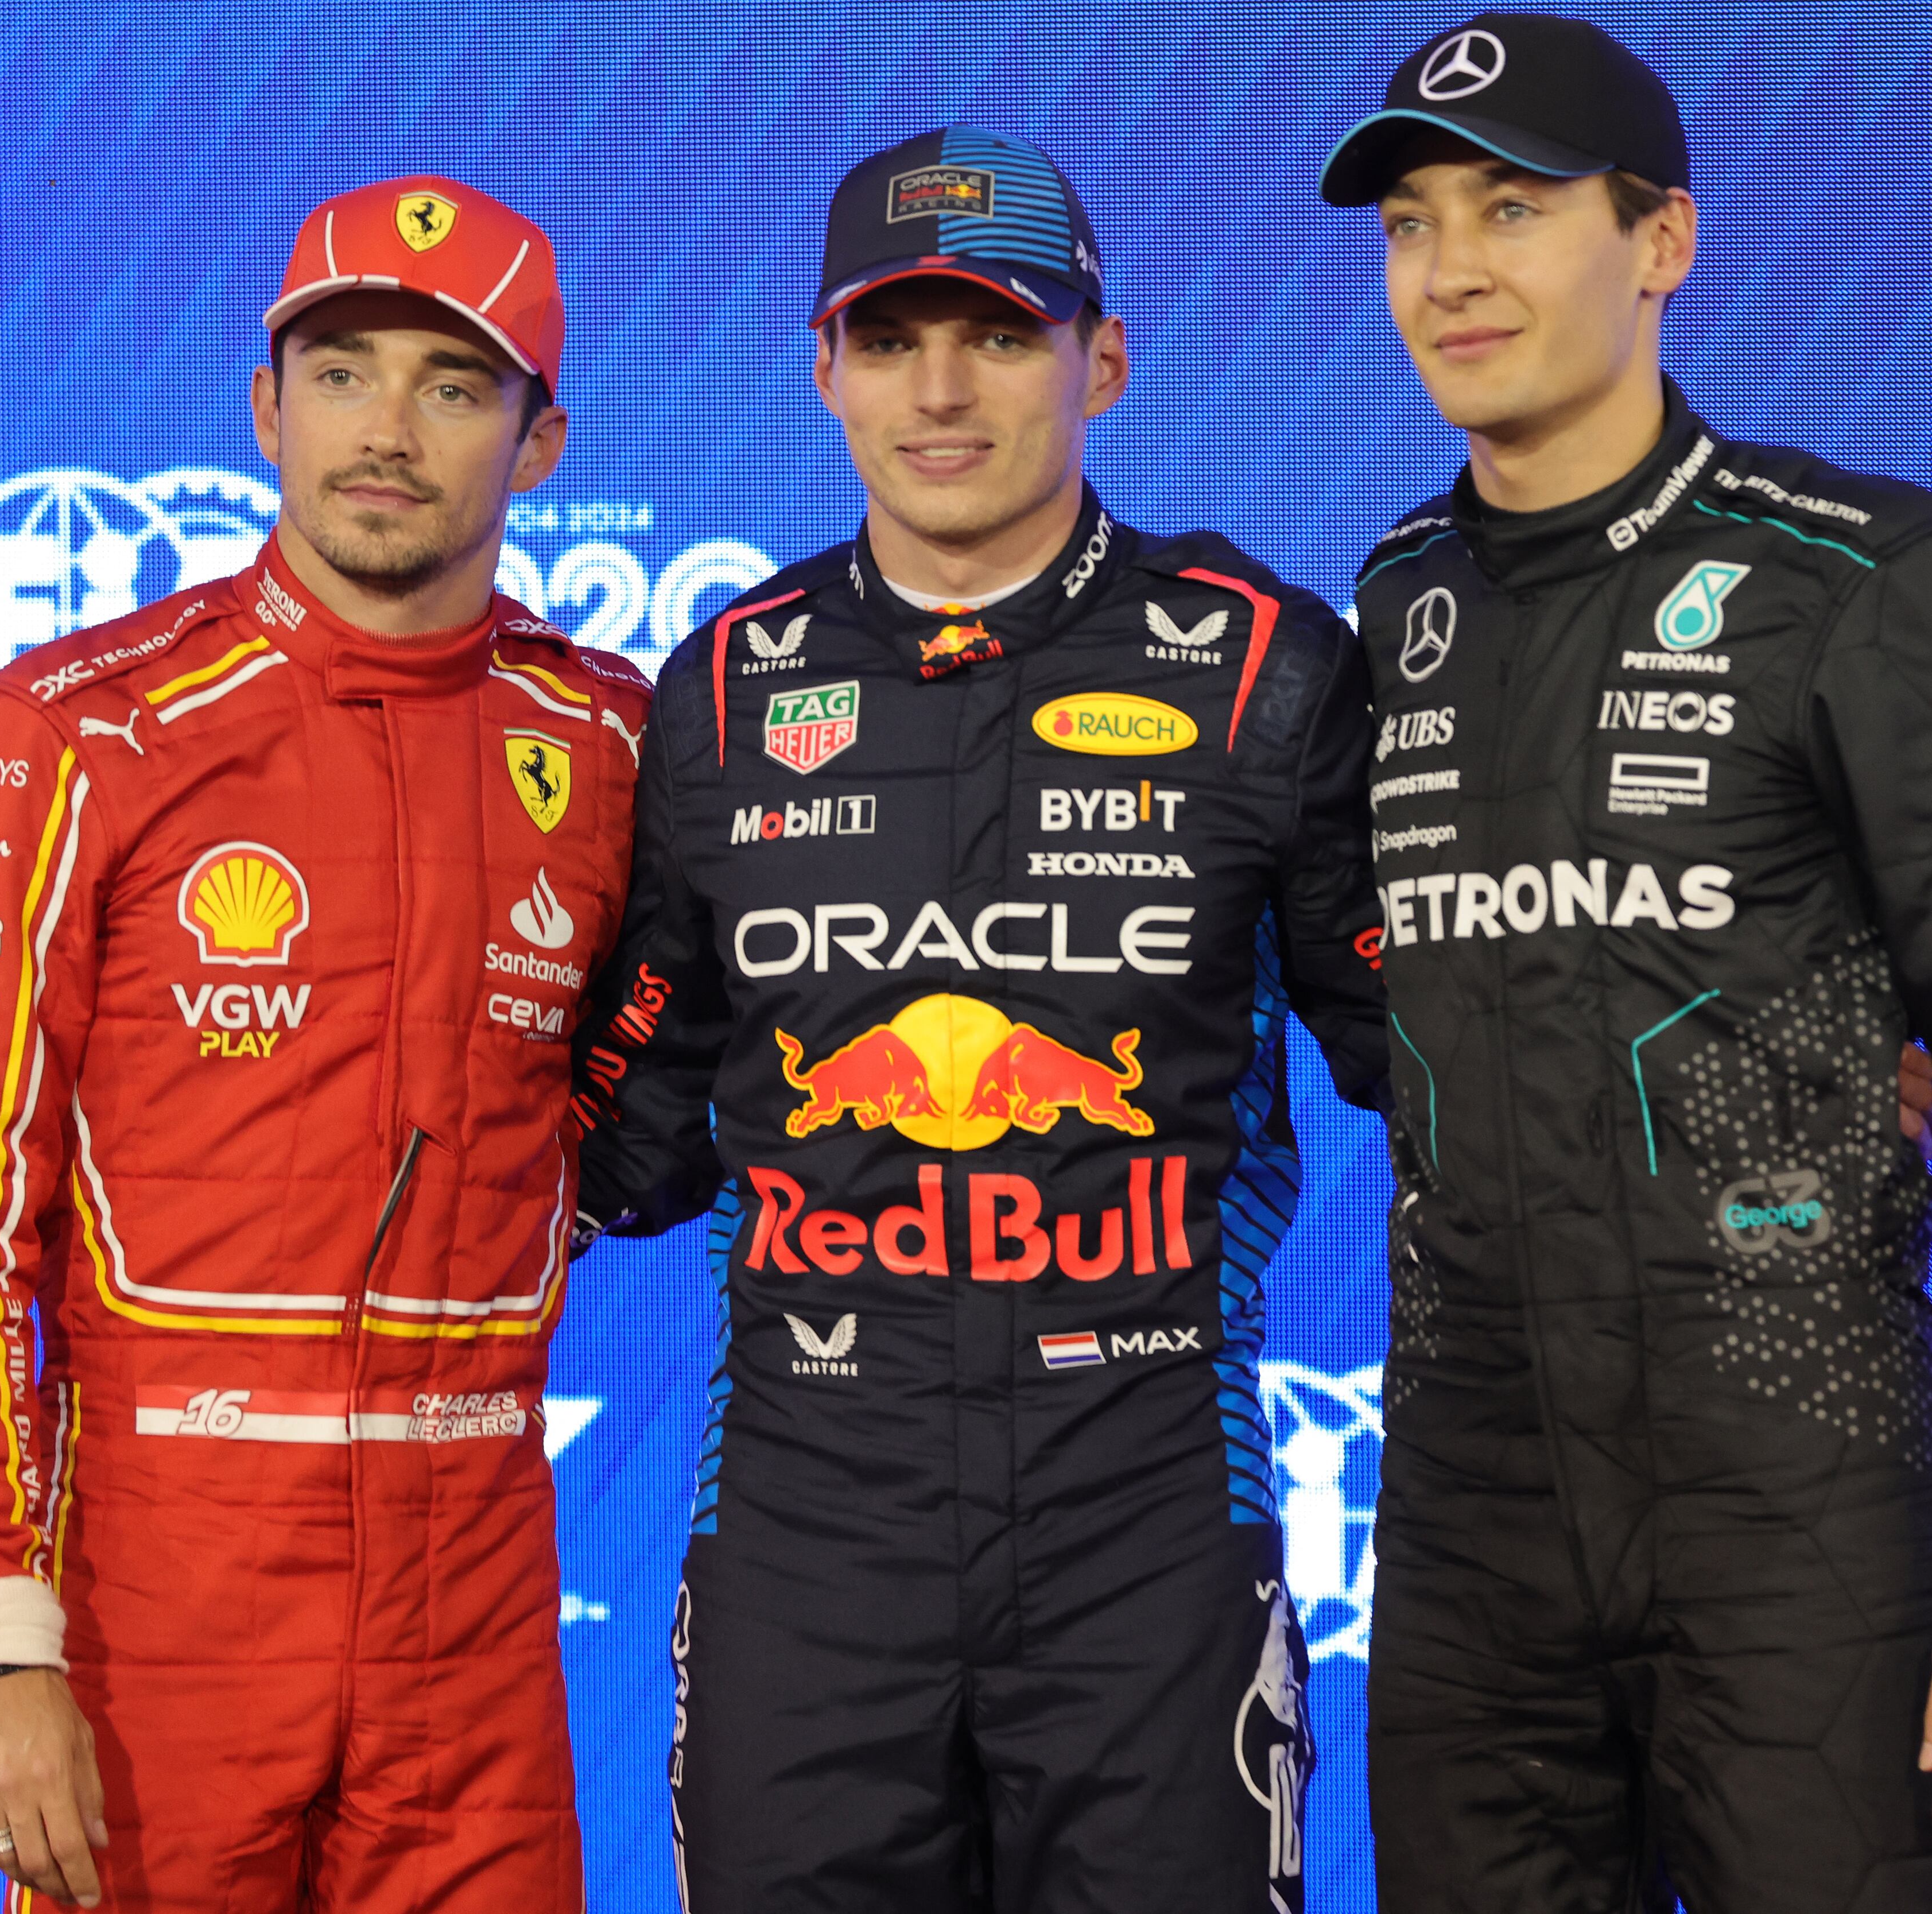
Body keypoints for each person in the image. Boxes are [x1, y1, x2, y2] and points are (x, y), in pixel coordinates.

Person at [1320, 16, 1932, 1912]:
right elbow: (1413, 998)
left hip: (1800, 1509)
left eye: (1513, 210)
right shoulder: (1399, 603)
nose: (1450, 271)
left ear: (1662, 242)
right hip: (1469, 1536)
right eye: (1411, 225)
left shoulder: (1860, 574)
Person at [567, 127, 1386, 1912]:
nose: (940, 393)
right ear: (826, 371)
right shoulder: (726, 687)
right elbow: (627, 1134)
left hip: (1150, 1518)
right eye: (891, 340)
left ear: (1104, 359)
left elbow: (1445, 1038)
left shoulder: (1261, 662)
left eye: (1002, 336)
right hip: (804, 1530)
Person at [0, 175, 647, 1912]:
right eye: (342, 372)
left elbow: (658, 1073)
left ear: (540, 444)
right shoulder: (70, 732)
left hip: (477, 1597)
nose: (388, 431)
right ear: (266, 410)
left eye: (453, 386)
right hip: (165, 1590)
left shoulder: (614, 745)